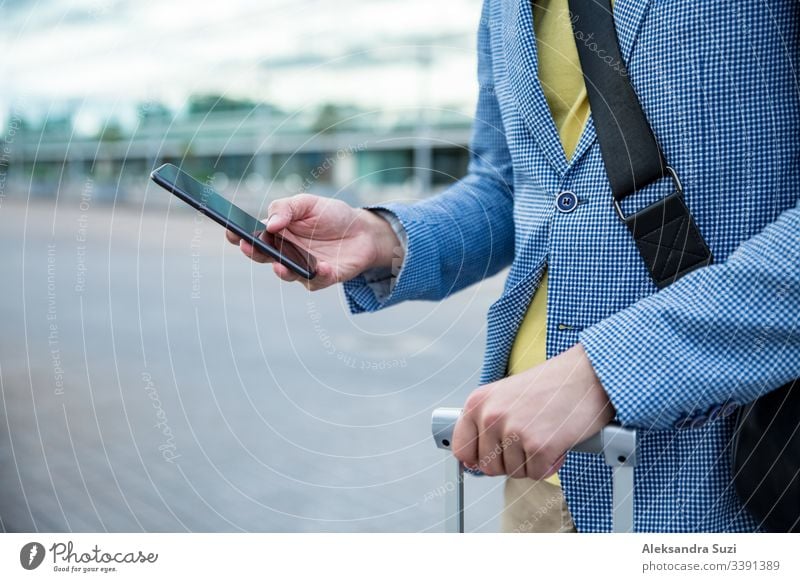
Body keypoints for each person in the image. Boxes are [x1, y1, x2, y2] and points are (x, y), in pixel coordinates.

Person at [227, 0, 800, 532]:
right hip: (543, 468)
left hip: (729, 465)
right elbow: (511, 184)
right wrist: (385, 237)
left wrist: (609, 371)